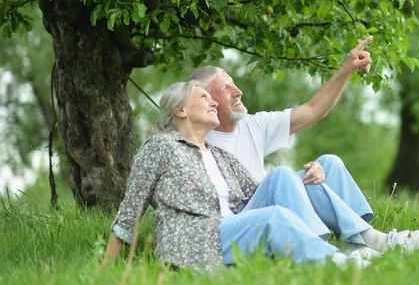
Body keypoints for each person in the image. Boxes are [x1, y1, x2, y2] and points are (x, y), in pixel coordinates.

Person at [186, 36, 419, 257]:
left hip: (269, 204)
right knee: (281, 175)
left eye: (234, 84)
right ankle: (368, 243)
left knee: (328, 164)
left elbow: (313, 110)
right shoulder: (195, 139)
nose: (238, 91)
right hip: (246, 221)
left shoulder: (254, 125)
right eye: (226, 88)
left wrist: (347, 69)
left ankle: (357, 244)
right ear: (206, 99)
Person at [102, 81, 372, 272]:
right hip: (199, 239)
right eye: (203, 97)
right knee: (274, 217)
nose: (213, 102)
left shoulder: (219, 155)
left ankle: (349, 242)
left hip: (235, 226)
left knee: (281, 175)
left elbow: (272, 191)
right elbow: (130, 210)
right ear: (181, 110)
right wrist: (105, 270)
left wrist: (313, 173)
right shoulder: (161, 147)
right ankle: (339, 261)